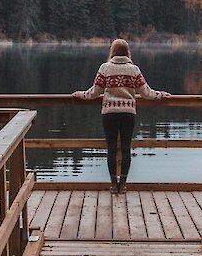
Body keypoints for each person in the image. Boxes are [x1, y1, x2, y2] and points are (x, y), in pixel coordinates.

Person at [72, 38, 171, 193]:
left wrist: (80, 95)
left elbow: (94, 92)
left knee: (111, 148)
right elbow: (146, 93)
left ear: (112, 51)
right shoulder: (134, 70)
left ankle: (113, 185)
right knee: (126, 148)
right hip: (128, 114)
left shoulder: (104, 68)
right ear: (127, 52)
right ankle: (123, 185)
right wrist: (161, 95)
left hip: (109, 114)